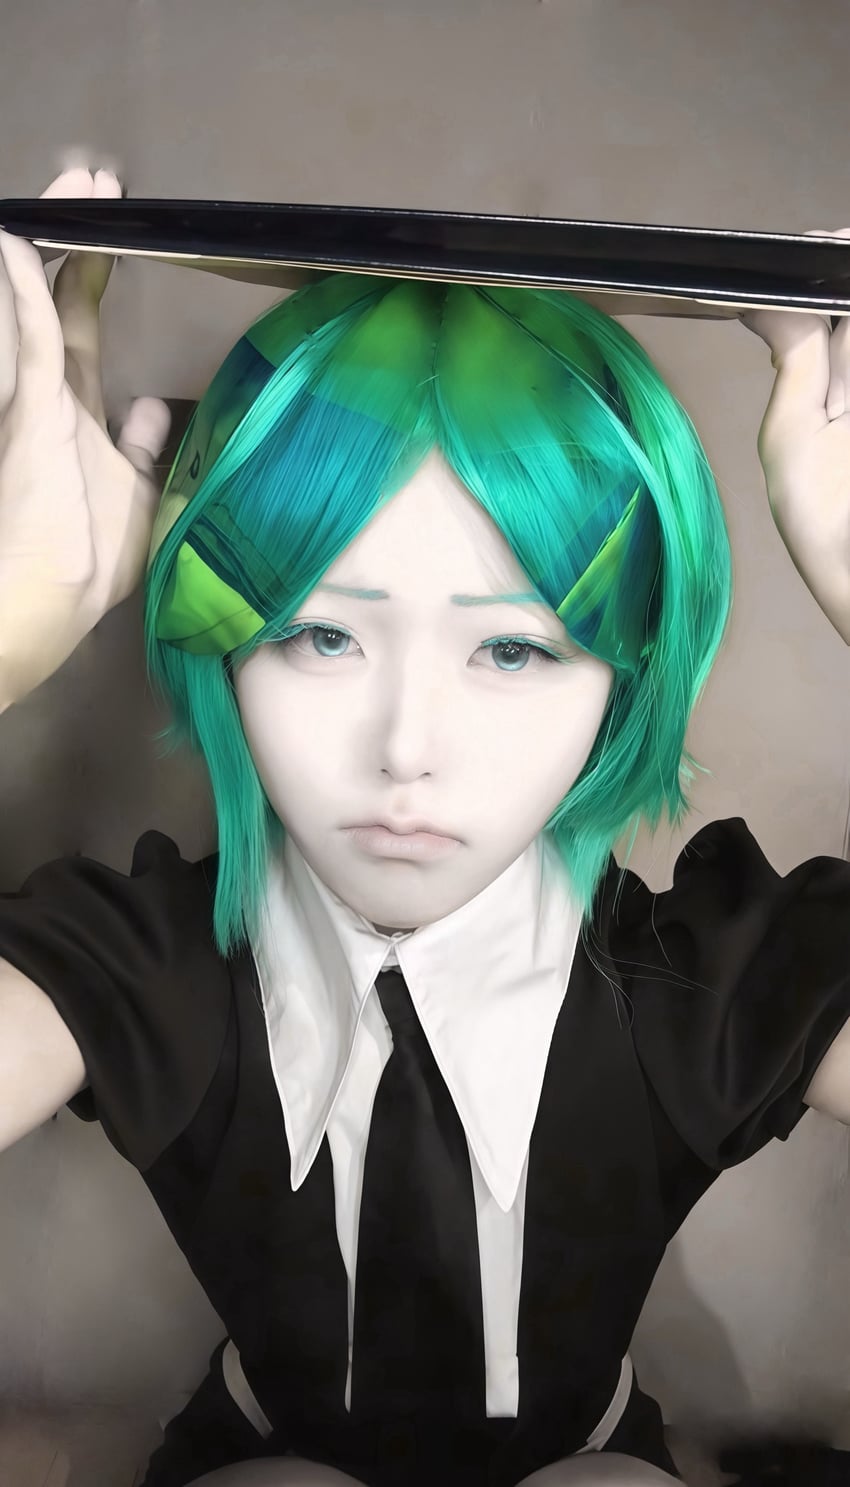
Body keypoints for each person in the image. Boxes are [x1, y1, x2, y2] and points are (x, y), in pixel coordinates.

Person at [0, 167, 848, 1487]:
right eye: (320, 635)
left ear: (623, 673)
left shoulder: (704, 986)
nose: (407, 749)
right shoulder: (146, 966)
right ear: (226, 641)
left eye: (512, 650)